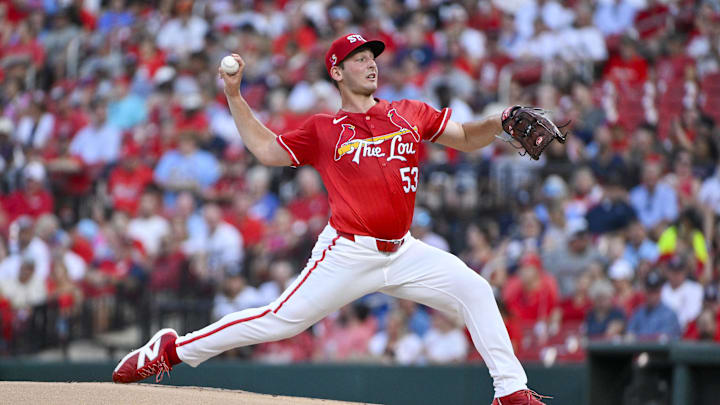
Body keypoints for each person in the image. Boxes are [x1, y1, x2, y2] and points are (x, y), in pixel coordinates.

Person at [113, 34, 550, 404]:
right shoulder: (325, 128)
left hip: (404, 250)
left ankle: (511, 392)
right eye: (358, 60)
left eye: (372, 58)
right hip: (348, 252)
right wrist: (234, 96)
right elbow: (266, 150)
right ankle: (171, 350)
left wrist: (499, 122)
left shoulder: (408, 113)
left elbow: (467, 137)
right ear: (337, 72)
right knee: (279, 320)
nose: (370, 65)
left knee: (474, 288)